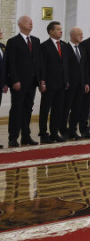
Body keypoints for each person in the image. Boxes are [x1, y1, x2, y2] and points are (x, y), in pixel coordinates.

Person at [7, 15, 40, 147]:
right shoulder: (13, 41)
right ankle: (13, 137)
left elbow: (38, 62)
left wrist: (40, 80)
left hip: (32, 82)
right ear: (20, 25)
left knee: (28, 109)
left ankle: (26, 136)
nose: (31, 23)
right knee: (17, 109)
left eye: (31, 22)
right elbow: (11, 63)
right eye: (27, 22)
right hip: (19, 83)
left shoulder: (36, 41)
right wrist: (14, 80)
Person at [38, 21, 70, 143]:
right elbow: (42, 66)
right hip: (49, 83)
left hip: (61, 84)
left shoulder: (64, 45)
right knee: (45, 109)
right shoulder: (44, 46)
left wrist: (67, 80)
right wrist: (42, 81)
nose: (61, 31)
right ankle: (43, 134)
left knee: (58, 110)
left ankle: (54, 132)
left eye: (61, 29)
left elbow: (66, 65)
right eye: (58, 29)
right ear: (51, 31)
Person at [63, 27, 89, 139]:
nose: (82, 36)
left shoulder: (82, 48)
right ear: (72, 35)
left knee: (77, 110)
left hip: (80, 85)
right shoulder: (65, 48)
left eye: (82, 34)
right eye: (79, 34)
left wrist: (86, 83)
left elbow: (85, 67)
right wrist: (66, 81)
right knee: (65, 109)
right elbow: (65, 67)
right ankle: (63, 131)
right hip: (69, 85)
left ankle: (73, 131)